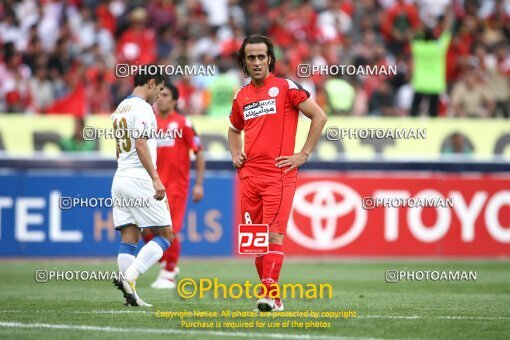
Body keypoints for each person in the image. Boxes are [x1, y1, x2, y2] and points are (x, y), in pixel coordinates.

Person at [228, 34, 327, 312]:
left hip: (279, 174)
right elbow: (234, 129)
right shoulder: (241, 95)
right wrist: (236, 153)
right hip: (249, 177)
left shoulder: (286, 87)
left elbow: (319, 117)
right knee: (256, 242)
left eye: (262, 56)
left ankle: (267, 294)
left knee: (274, 236)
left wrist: (303, 154)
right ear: (244, 62)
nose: (257, 62)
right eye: (251, 57)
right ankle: (274, 297)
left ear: (270, 59)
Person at [111, 66, 173, 307]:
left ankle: (131, 297)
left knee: (130, 235)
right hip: (139, 178)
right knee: (166, 235)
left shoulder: (119, 109)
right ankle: (129, 276)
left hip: (120, 177)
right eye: (159, 88)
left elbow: (119, 149)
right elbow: (140, 144)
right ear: (151, 83)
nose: (159, 95)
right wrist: (155, 178)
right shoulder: (144, 108)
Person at [142, 82, 205, 289]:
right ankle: (165, 263)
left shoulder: (184, 123)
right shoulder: (150, 123)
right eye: (159, 95)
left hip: (176, 187)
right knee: (144, 229)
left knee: (170, 230)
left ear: (175, 100)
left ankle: (168, 272)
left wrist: (199, 184)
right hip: (153, 186)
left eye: (166, 95)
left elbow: (199, 152)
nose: (161, 98)